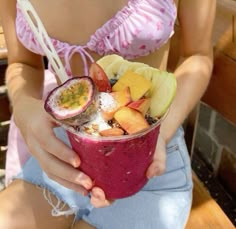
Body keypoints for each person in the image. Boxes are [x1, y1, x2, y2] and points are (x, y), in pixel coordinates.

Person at [0, 0, 216, 228]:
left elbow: (198, 55)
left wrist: (161, 133)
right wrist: (23, 105)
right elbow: (24, 63)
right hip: (67, 152)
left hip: (150, 155)